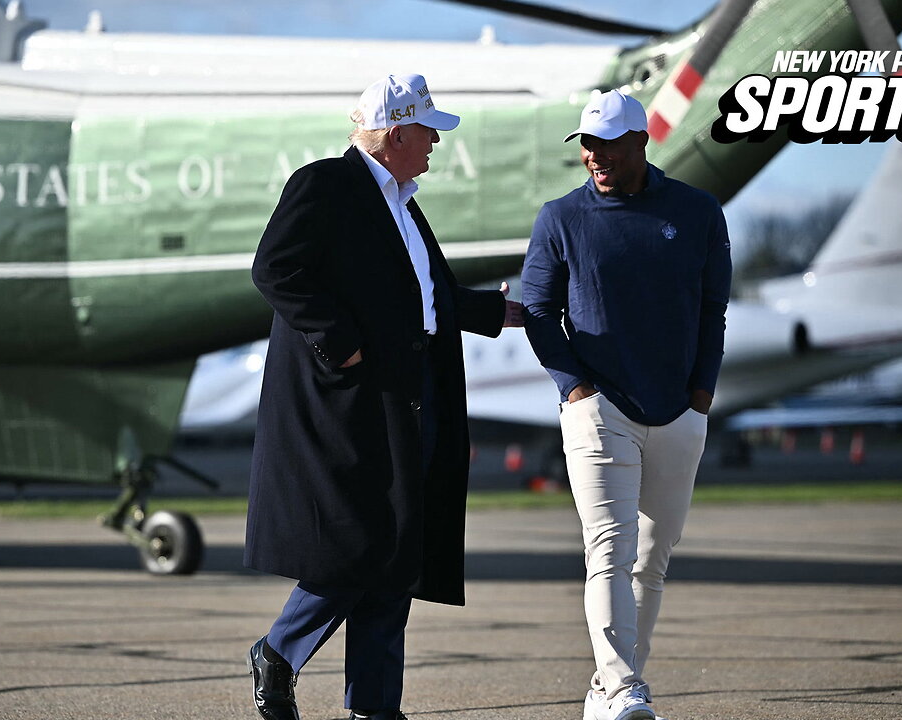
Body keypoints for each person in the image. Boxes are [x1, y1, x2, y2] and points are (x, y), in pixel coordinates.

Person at [245, 73, 522, 720]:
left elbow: (431, 296)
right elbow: (275, 268)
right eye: (429, 131)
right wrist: (341, 344)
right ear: (396, 133)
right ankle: (280, 650)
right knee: (362, 541)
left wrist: (506, 313)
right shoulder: (327, 184)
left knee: (399, 545)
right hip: (354, 400)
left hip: (412, 391)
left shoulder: (404, 200)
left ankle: (375, 706)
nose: (435, 143)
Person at [520, 90, 731, 720]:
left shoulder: (697, 213)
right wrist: (574, 389)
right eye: (585, 144)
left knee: (651, 561)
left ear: (640, 142)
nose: (593, 156)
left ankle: (605, 687)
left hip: (679, 414)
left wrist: (700, 398)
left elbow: (712, 311)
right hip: (598, 409)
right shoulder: (560, 219)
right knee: (607, 549)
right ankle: (623, 690)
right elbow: (535, 310)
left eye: (606, 143)